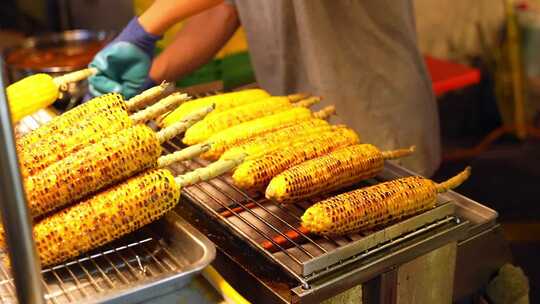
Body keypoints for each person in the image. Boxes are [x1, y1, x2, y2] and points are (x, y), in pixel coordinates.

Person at [88, 0, 441, 176]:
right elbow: (227, 9)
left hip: (373, 114)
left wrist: (148, 24)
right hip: (293, 127)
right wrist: (151, 74)